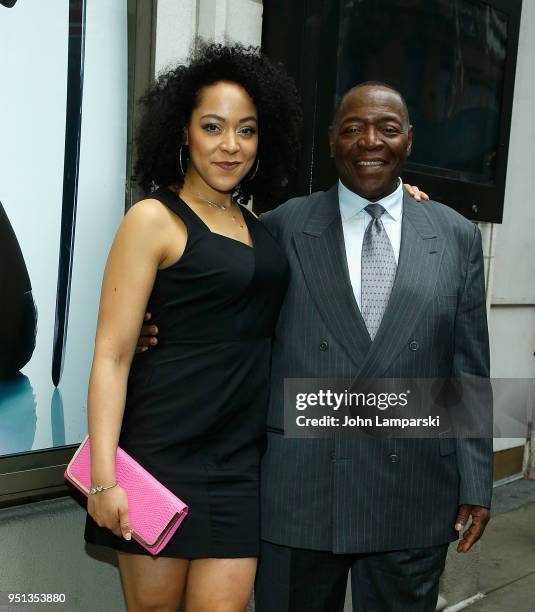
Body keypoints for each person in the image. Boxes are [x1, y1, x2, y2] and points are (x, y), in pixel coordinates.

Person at [252, 82, 493, 611]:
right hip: (302, 490)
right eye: (354, 127)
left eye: (387, 128)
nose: (370, 141)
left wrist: (476, 481)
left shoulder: (455, 236)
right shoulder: (280, 227)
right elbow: (234, 328)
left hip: (412, 489)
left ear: (408, 141)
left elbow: (467, 370)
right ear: (333, 140)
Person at [83, 43, 300, 612]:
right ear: (184, 131)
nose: (230, 145)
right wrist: (104, 480)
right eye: (213, 127)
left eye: (246, 131)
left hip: (238, 465)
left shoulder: (261, 226)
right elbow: (111, 355)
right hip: (159, 457)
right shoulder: (152, 218)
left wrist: (407, 198)